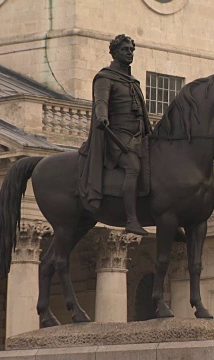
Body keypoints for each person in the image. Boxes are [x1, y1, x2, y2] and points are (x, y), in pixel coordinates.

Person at [78, 34, 152, 236]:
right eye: (125, 50)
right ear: (114, 52)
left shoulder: (132, 81)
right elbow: (101, 101)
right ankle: (131, 219)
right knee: (133, 167)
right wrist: (102, 116)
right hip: (116, 137)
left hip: (138, 136)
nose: (129, 53)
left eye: (131, 50)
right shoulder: (105, 78)